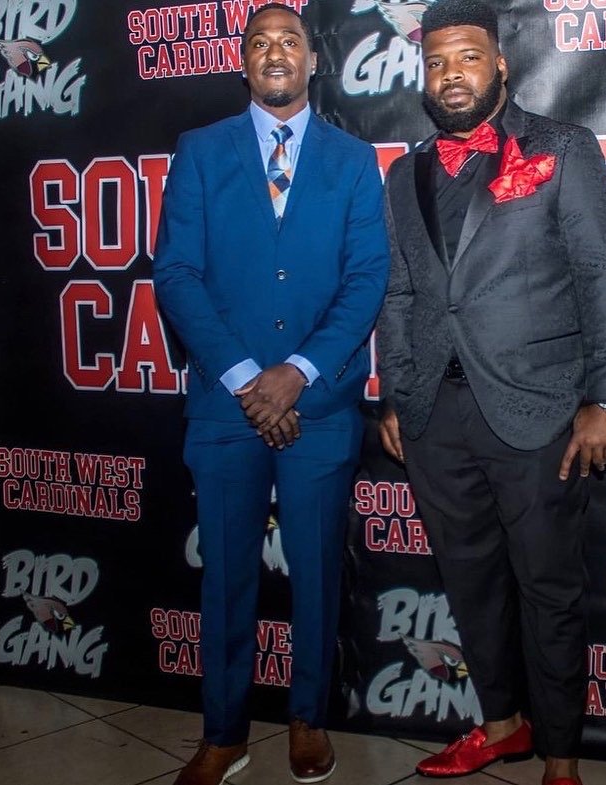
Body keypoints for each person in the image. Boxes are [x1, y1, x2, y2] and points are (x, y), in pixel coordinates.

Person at [375, 1, 606, 783]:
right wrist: (397, 394)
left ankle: (561, 756)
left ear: (500, 64)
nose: (450, 75)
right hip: (434, 417)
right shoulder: (405, 173)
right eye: (436, 62)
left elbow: (603, 275)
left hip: (539, 410)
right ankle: (502, 725)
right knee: (470, 581)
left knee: (549, 588)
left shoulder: (562, 147)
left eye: (467, 57)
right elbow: (399, 293)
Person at [153, 4, 389, 784]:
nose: (275, 52)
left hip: (319, 404)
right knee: (226, 574)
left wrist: (297, 373)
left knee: (316, 572)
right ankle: (223, 732)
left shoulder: (354, 160)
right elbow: (176, 273)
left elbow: (366, 279)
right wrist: (248, 379)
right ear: (244, 62)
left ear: (313, 60)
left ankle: (308, 718)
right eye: (259, 42)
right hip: (227, 407)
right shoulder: (200, 151)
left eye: (290, 40)